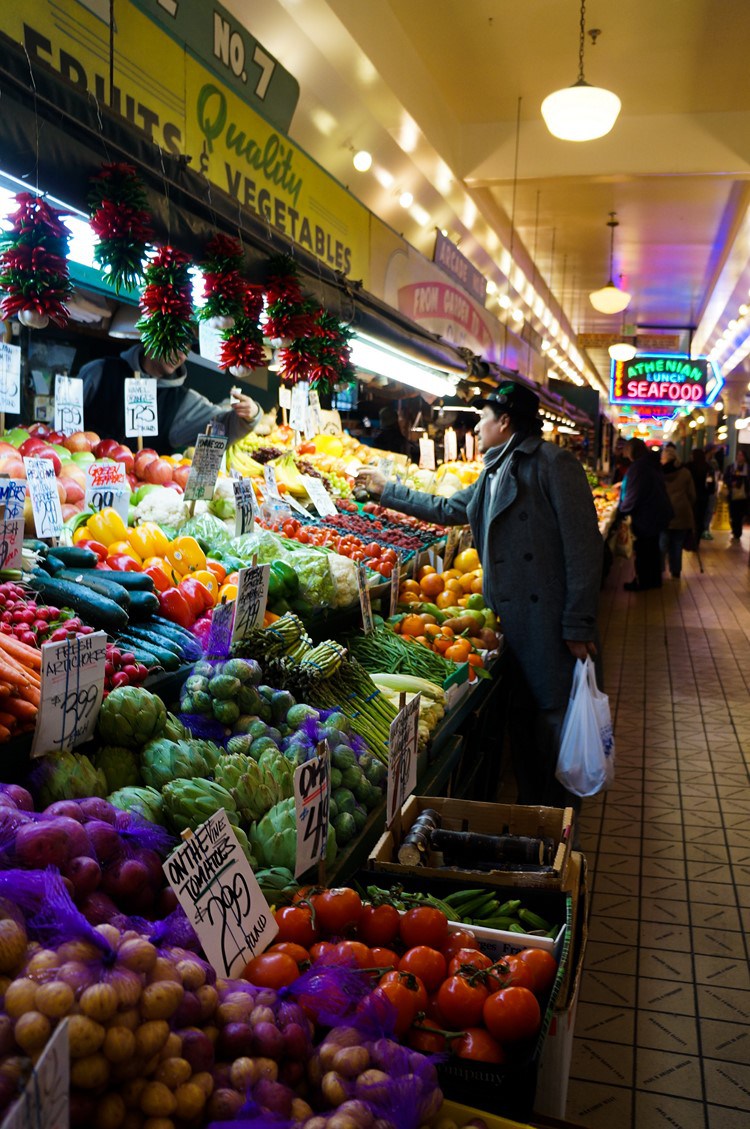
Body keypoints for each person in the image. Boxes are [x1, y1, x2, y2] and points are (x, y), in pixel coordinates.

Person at [357, 379, 603, 810]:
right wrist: (386, 491)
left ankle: (559, 822)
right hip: (508, 621)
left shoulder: (554, 464)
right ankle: (532, 812)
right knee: (524, 724)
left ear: (504, 421)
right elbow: (448, 509)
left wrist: (578, 623)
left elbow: (584, 547)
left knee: (552, 725)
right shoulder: (493, 469)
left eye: (482, 418)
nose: (475, 427)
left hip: (547, 623)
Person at [78, 339, 263, 455]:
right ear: (153, 335)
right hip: (78, 484)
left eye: (187, 349)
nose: (181, 356)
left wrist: (251, 414)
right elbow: (66, 420)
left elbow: (222, 427)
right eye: (177, 344)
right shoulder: (99, 371)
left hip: (138, 500)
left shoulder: (183, 402)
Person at [619, 438, 673, 591]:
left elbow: (634, 493)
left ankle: (643, 581)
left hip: (646, 515)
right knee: (652, 549)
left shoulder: (639, 467)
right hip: (657, 512)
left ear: (632, 451)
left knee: (643, 550)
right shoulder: (651, 463)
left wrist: (623, 510)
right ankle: (653, 580)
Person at [659, 444, 696, 579]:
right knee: (677, 544)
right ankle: (676, 571)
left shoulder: (659, 473)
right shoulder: (685, 473)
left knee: (662, 543)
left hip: (664, 512)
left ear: (664, 458)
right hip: (682, 513)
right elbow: (692, 495)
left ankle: (659, 570)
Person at [723, 445, 749, 543]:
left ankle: (738, 532)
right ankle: (735, 530)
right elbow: (725, 478)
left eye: (741, 455)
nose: (739, 457)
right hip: (733, 494)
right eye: (738, 455)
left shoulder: (748, 468)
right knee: (733, 514)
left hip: (745, 495)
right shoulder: (731, 467)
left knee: (741, 514)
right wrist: (731, 483)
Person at [688, 448, 713, 545]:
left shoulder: (688, 467)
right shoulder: (708, 468)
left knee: (691, 517)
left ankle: (690, 538)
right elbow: (711, 484)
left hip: (690, 496)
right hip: (703, 496)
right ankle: (696, 540)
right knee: (700, 518)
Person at [701, 445, 721, 539]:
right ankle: (704, 529)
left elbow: (717, 475)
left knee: (709, 510)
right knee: (706, 510)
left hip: (711, 489)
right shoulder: (707, 462)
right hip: (705, 489)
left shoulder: (714, 462)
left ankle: (705, 529)